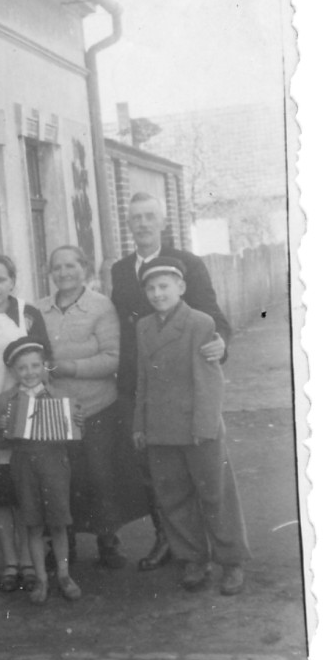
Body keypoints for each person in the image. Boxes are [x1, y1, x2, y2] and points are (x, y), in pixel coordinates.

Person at [111, 192, 231, 570]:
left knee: (209, 480)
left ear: (162, 221)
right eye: (136, 219)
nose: (143, 224)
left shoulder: (188, 264)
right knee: (161, 479)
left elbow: (213, 316)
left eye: (149, 217)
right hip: (143, 386)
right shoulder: (119, 270)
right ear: (128, 225)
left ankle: (226, 556)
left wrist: (220, 343)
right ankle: (175, 544)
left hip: (188, 385)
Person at [133, 257, 250, 594]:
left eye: (164, 286)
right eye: (151, 288)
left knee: (216, 494)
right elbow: (143, 379)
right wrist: (140, 424)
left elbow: (210, 381)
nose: (157, 294)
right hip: (160, 428)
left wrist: (205, 426)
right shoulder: (143, 327)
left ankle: (232, 562)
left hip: (199, 427)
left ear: (181, 288)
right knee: (174, 497)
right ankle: (195, 558)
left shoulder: (200, 323)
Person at [37, 245, 123, 568]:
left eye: (71, 265)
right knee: (61, 480)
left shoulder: (101, 306)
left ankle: (108, 542)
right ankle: (65, 545)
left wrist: (68, 367)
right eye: (57, 267)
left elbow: (112, 358)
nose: (64, 273)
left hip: (97, 405)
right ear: (50, 273)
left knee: (101, 477)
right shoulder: (39, 310)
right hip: (56, 410)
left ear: (84, 268)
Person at [0, 253, 51, 593]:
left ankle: (29, 559)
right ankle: (9, 561)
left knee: (25, 492)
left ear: (12, 281)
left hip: (27, 412)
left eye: (1, 279)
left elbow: (45, 360)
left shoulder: (27, 314)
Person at [0, 337, 82, 605]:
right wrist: (2, 426)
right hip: (23, 466)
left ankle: (64, 575)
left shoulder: (61, 395)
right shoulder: (6, 400)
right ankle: (41, 578)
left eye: (35, 366)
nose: (30, 372)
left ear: (45, 366)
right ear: (13, 371)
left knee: (58, 522)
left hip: (55, 464)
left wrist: (78, 422)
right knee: (32, 523)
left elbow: (75, 435)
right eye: (22, 368)